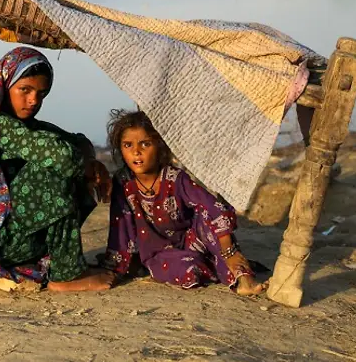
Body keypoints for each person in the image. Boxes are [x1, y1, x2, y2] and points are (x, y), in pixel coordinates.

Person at [0, 47, 114, 292]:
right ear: (4, 86)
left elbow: (78, 141)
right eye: (25, 90)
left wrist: (90, 160)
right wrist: (88, 165)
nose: (33, 101)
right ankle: (66, 274)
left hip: (0, 242)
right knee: (54, 169)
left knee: (65, 161)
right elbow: (63, 157)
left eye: (41, 93)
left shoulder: (12, 123)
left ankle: (61, 263)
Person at [101, 109, 268, 296]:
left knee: (207, 220)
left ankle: (242, 277)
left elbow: (211, 206)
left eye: (145, 144)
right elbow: (121, 227)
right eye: (127, 145)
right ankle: (213, 264)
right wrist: (116, 267)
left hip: (193, 239)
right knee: (187, 269)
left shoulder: (175, 178)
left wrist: (229, 251)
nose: (136, 152)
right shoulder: (123, 183)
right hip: (159, 253)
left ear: (160, 146)